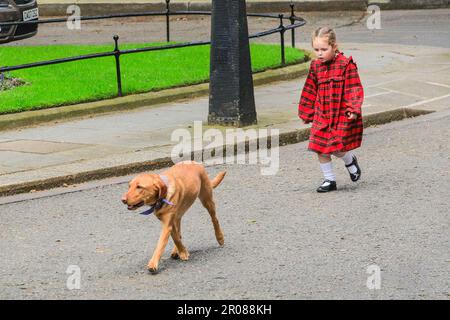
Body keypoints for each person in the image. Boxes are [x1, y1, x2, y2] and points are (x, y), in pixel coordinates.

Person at [298, 27, 364, 192]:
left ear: (334, 47)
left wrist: (353, 108)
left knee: (337, 147)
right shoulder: (315, 66)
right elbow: (310, 89)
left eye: (324, 49)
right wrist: (306, 111)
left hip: (340, 113)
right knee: (319, 146)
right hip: (322, 113)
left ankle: (350, 160)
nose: (319, 53)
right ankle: (329, 180)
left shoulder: (345, 65)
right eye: (316, 50)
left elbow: (353, 87)